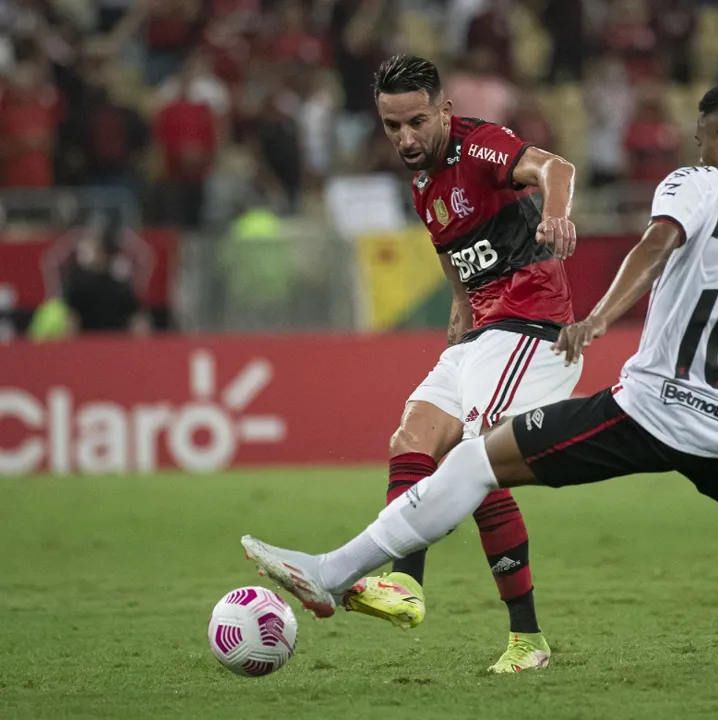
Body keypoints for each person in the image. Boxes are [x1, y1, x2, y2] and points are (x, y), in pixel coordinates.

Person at [242, 79, 718, 680]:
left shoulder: (697, 183)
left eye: (699, 139)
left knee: (473, 459)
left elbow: (657, 245)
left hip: (648, 413)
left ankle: (336, 572)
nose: (695, 148)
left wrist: (597, 317)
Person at [280, 54, 579, 673]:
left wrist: (556, 212)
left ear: (444, 110)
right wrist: (458, 300)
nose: (405, 139)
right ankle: (406, 587)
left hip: (530, 323)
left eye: (416, 122)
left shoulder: (480, 147)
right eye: (392, 127)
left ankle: (528, 641)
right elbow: (452, 248)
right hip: (482, 331)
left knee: (475, 459)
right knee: (411, 439)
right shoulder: (422, 183)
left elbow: (555, 166)